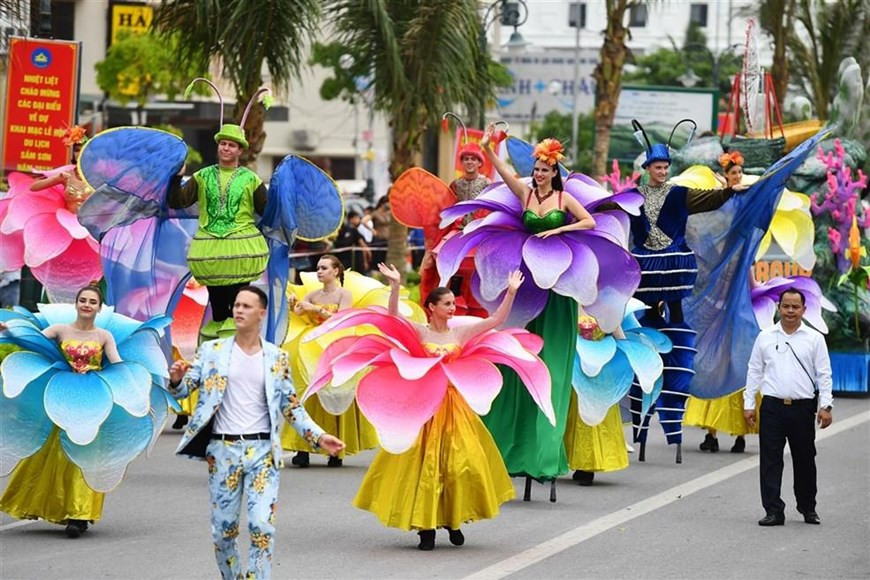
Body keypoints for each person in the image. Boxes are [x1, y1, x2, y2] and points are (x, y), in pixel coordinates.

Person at [323, 263, 550, 550]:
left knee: (458, 465)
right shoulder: (420, 332)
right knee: (423, 468)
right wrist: (394, 286)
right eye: (447, 304)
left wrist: (511, 293)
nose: (453, 308)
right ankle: (426, 529)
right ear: (431, 307)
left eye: (454, 303)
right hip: (423, 409)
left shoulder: (459, 334)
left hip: (454, 409)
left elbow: (495, 320)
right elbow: (393, 318)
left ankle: (453, 521)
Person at [168, 286, 345, 579]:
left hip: (262, 452)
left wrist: (318, 436)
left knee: (262, 527)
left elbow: (292, 406)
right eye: (237, 305)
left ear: (261, 314)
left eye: (246, 306)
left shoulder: (276, 358)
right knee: (223, 533)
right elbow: (186, 389)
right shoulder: (212, 352)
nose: (238, 310)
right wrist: (176, 380)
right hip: (222, 451)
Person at [627, 120, 749, 463]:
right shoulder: (634, 197)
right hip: (645, 272)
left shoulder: (680, 194)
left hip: (677, 268)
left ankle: (676, 395)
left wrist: (729, 189)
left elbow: (710, 199)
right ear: (647, 168)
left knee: (677, 328)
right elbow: (606, 207)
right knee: (646, 331)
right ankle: (642, 404)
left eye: (666, 166)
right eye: (657, 167)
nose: (662, 171)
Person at [0, 286, 119, 538]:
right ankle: (48, 504)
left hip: (91, 399)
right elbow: (34, 341)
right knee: (54, 451)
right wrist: (9, 331)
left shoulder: (104, 336)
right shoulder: (60, 330)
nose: (87, 304)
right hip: (62, 396)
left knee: (84, 452)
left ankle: (79, 514)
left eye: (92, 301)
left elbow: (117, 364)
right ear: (76, 304)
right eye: (83, 300)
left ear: (99, 308)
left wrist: (129, 383)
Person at [744, 288, 833, 526]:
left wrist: (826, 405)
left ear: (804, 310)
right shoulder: (765, 336)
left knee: (805, 459)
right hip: (772, 407)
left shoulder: (815, 339)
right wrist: (749, 403)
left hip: (803, 409)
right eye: (786, 306)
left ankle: (808, 507)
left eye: (795, 307)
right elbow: (754, 370)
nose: (790, 311)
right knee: (770, 460)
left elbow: (824, 374)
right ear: (779, 307)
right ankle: (773, 510)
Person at [684, 150, 753, 453]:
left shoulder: (748, 203)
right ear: (725, 177)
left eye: (740, 173)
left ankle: (740, 432)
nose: (737, 177)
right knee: (711, 355)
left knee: (737, 353)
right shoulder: (717, 206)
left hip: (737, 291)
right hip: (715, 293)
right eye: (732, 174)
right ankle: (711, 431)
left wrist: (753, 287)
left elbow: (747, 256)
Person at [281, 255, 378, 467]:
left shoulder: (345, 294)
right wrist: (293, 305)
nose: (319, 272)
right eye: (318, 268)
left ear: (336, 271)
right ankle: (303, 447)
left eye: (324, 268)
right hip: (314, 347)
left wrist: (315, 309)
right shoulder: (313, 293)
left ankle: (335, 450)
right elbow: (299, 312)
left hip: (336, 346)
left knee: (335, 393)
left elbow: (341, 320)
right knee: (308, 391)